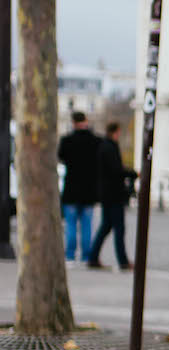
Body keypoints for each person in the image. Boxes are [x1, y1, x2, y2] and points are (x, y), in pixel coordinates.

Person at [58, 109, 100, 263]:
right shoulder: (96, 141)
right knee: (87, 226)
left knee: (70, 225)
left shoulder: (67, 141)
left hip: (71, 189)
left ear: (73, 123)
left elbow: (61, 157)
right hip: (89, 190)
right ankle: (86, 255)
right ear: (86, 121)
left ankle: (70, 254)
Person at [88, 123, 131, 270]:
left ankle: (93, 257)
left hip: (107, 194)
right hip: (113, 194)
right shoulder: (109, 147)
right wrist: (131, 173)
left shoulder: (104, 146)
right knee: (119, 228)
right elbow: (116, 170)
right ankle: (123, 261)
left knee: (106, 226)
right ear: (115, 132)